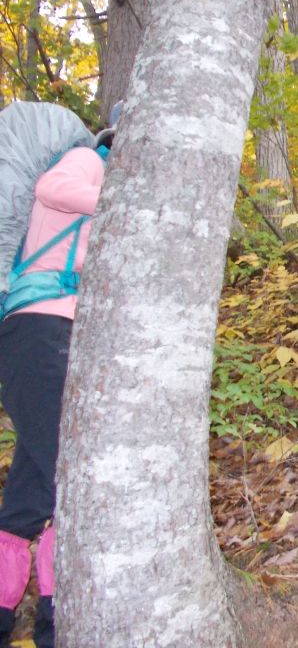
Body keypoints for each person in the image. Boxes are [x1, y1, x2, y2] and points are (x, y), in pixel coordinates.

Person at [0, 111, 115, 648]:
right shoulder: (87, 160)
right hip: (43, 327)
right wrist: (120, 202)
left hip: (43, 332)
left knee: (33, 482)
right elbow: (56, 186)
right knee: (69, 477)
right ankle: (55, 622)